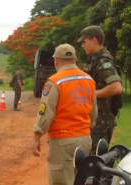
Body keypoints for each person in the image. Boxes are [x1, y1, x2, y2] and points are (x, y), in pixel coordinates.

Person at [33, 43, 97, 185]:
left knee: (61, 181)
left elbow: (45, 113)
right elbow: (94, 112)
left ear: (56, 61)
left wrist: (37, 136)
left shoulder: (54, 82)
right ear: (74, 60)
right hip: (85, 139)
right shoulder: (89, 80)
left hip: (63, 142)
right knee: (81, 179)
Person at [78, 25, 123, 153]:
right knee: (96, 158)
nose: (82, 45)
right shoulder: (96, 59)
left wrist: (91, 94)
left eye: (84, 41)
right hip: (98, 119)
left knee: (95, 159)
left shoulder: (103, 60)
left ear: (94, 40)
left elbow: (116, 87)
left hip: (102, 121)